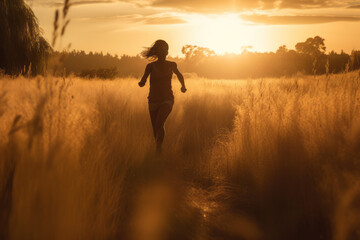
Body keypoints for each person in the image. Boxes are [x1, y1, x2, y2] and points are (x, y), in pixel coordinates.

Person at [138, 40, 187, 153]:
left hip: (167, 99)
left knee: (159, 123)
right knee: (156, 129)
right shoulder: (150, 66)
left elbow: (179, 75)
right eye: (161, 51)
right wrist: (142, 83)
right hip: (153, 100)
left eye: (165, 51)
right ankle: (158, 150)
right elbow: (143, 79)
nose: (163, 53)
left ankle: (159, 150)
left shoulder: (172, 65)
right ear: (157, 53)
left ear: (167, 53)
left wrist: (183, 86)